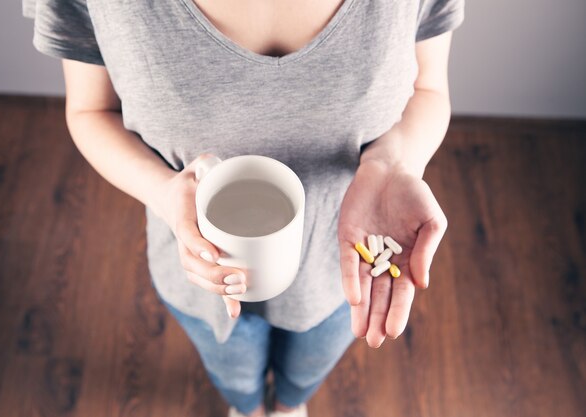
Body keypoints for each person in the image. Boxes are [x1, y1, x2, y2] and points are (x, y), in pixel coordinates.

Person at [23, 0, 463, 416]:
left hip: (345, 270)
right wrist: (163, 192)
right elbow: (90, 109)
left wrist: (394, 160)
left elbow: (428, 88)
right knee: (233, 373)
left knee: (304, 374)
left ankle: (289, 405)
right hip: (198, 272)